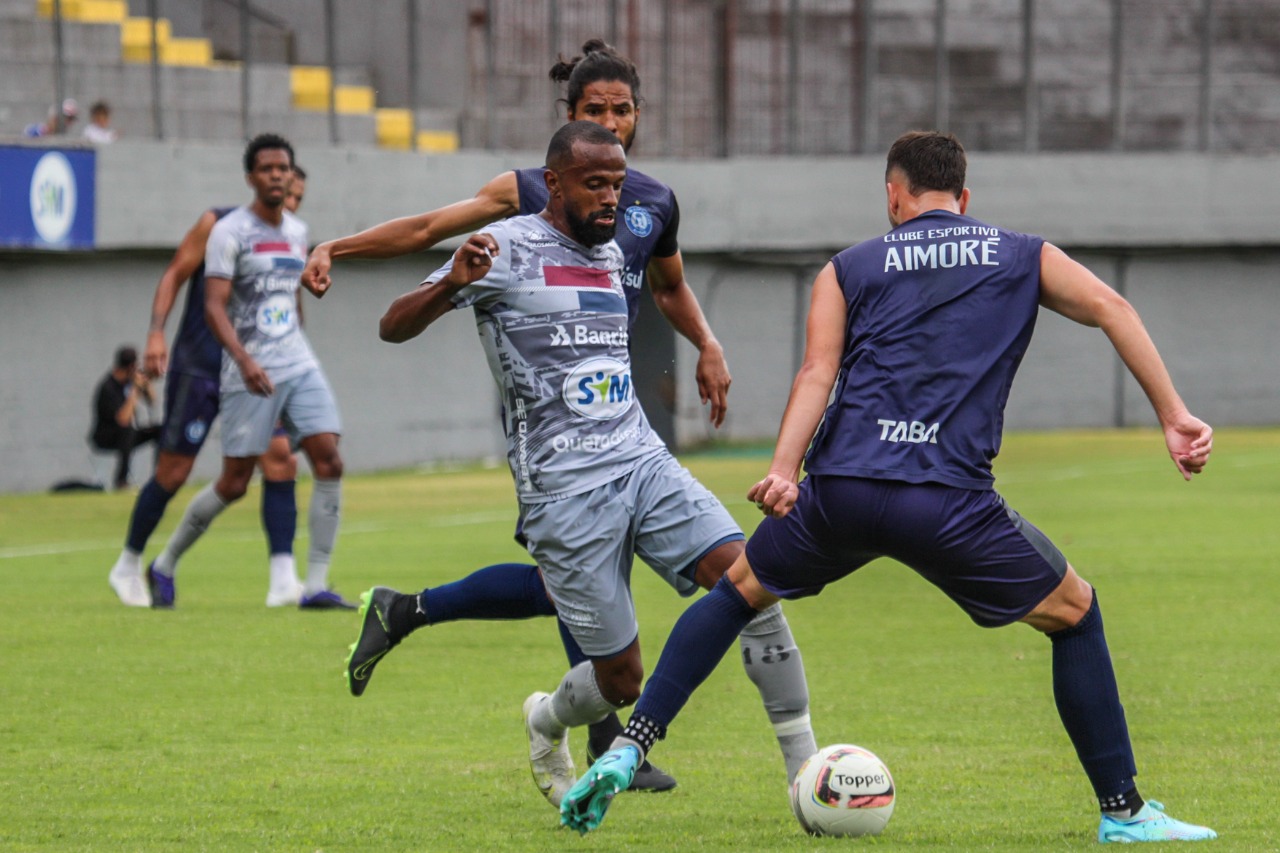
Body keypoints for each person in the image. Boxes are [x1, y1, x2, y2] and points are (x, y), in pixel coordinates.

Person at [560, 131, 1219, 844]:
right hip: (946, 500)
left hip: (839, 489)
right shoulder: (1021, 253)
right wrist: (1175, 415)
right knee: (1075, 612)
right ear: (963, 199)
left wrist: (784, 470)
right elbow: (1113, 308)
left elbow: (816, 373)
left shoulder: (849, 267)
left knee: (738, 592)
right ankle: (1123, 811)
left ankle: (632, 744)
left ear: (893, 196)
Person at [320, 41, 810, 795]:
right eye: (595, 178)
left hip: (637, 457)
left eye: (617, 174)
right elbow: (397, 309)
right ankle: (552, 720)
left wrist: (708, 344)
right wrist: (444, 279)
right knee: (618, 674)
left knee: (752, 579)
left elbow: (670, 285)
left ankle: (804, 769)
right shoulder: (506, 235)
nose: (612, 196)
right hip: (562, 480)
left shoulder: (630, 232)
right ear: (555, 178)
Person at [139, 135, 354, 612]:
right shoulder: (229, 231)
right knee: (234, 482)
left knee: (329, 459)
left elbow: (292, 298)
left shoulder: (299, 231)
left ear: (291, 176)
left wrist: (308, 298)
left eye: (283, 168)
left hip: (297, 361)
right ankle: (164, 564)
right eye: (266, 168)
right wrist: (244, 359)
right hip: (248, 368)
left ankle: (315, 586)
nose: (276, 175)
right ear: (251, 177)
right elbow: (213, 306)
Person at [107, 165, 312, 609]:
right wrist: (156, 334)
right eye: (286, 193)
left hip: (254, 375)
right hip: (200, 368)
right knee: (173, 472)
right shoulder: (217, 224)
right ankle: (128, 564)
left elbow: (290, 313)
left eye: (297, 198)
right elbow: (175, 274)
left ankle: (283, 580)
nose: (290, 203)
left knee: (279, 462)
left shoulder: (291, 240)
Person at [89, 345, 161, 491]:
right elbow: (123, 419)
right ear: (130, 366)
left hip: (127, 434)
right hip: (105, 437)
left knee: (160, 429)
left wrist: (145, 384)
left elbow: (153, 401)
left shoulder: (130, 380)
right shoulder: (108, 387)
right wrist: (135, 391)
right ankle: (121, 481)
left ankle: (160, 477)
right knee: (127, 430)